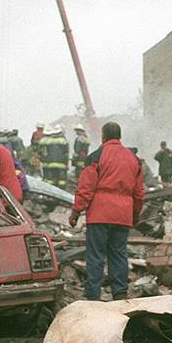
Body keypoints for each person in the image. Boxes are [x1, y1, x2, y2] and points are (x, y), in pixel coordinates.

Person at [69, 122, 144, 300]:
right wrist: (135, 213)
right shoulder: (133, 159)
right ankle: (120, 293)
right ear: (119, 136)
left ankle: (93, 295)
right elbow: (139, 193)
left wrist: (76, 212)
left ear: (103, 136)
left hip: (99, 214)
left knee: (96, 256)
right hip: (122, 215)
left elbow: (86, 188)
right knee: (118, 254)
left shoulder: (96, 156)